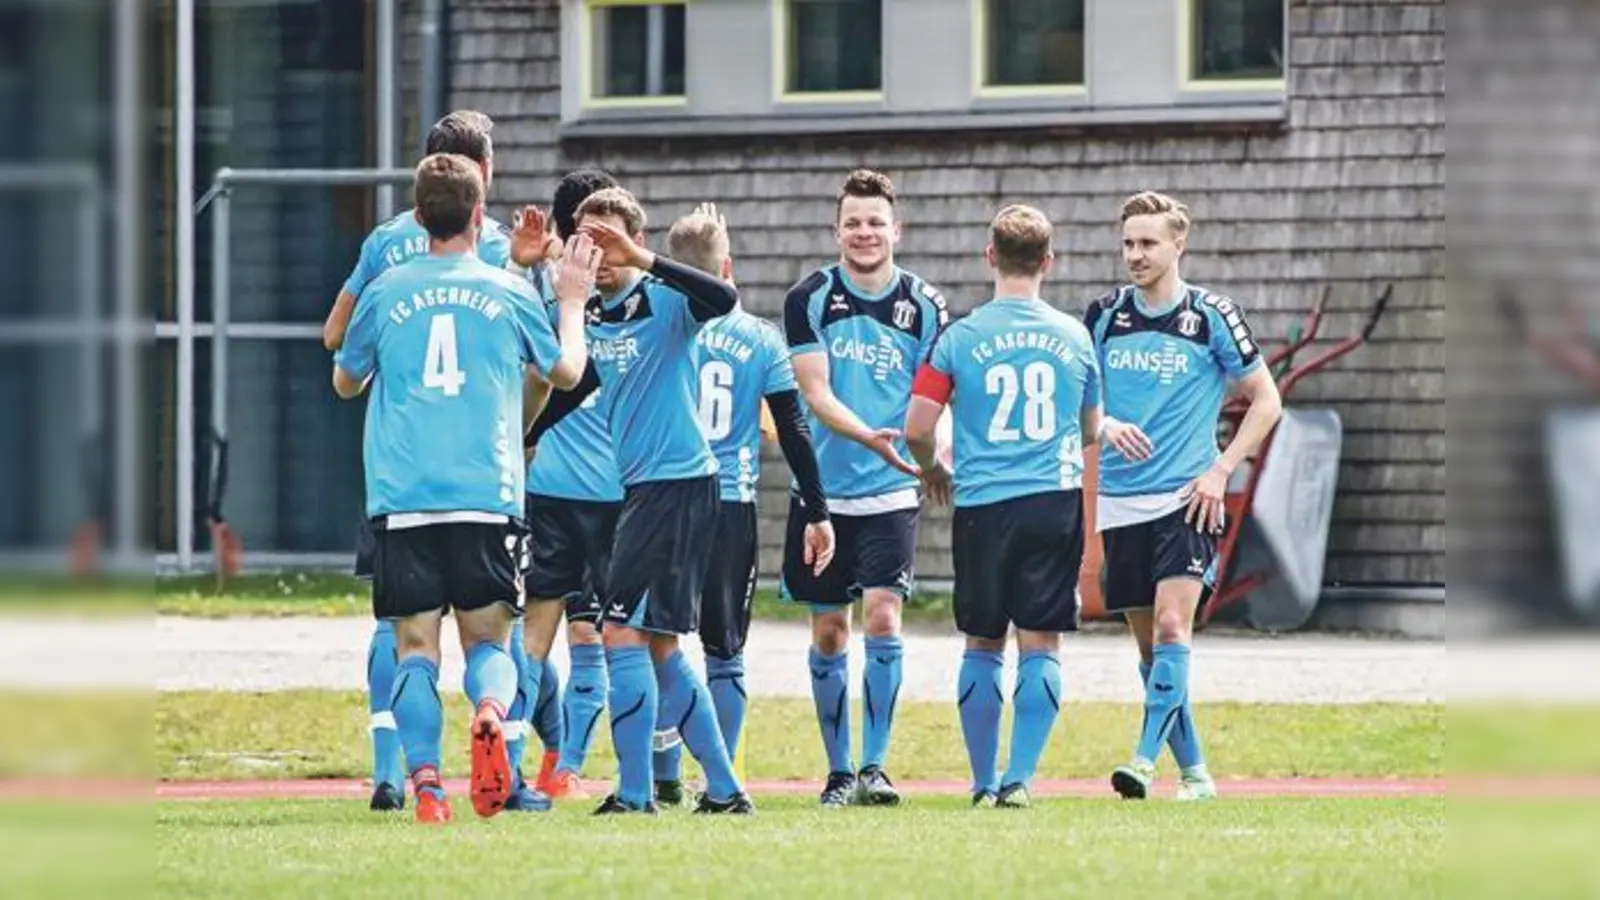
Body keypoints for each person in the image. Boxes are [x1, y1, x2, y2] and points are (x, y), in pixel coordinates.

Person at [330, 152, 595, 823]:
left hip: (403, 497)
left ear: (420, 218)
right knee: (490, 646)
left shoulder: (388, 289)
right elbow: (564, 373)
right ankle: (488, 712)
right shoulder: (507, 291)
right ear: (481, 215)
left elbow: (345, 379)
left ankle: (425, 785)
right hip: (487, 495)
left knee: (414, 649)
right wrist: (569, 303)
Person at [321, 110, 519, 814]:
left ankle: (402, 775)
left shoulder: (384, 250)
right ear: (483, 177)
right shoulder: (499, 251)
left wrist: (389, 365)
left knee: (403, 635)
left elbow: (337, 340)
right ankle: (506, 749)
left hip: (399, 472)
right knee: (492, 630)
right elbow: (549, 362)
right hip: (485, 470)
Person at [557, 187, 752, 815]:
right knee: (659, 644)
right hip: (646, 488)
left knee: (619, 633)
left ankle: (637, 793)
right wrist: (525, 435)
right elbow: (577, 381)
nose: (599, 253)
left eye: (609, 240)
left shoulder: (665, 300)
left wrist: (643, 257)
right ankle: (723, 790)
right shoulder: (592, 314)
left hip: (679, 485)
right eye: (587, 240)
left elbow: (725, 299)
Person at [1084, 191, 1282, 801]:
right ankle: (1195, 774)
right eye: (1128, 243)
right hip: (1120, 501)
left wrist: (1221, 470)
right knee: (1153, 654)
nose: (1136, 255)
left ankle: (1142, 762)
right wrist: (1105, 426)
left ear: (1178, 245)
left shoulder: (1212, 315)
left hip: (1187, 500)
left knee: (1175, 627)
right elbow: (1081, 402)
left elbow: (1267, 401)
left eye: (1148, 243)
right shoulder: (1103, 316)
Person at [905, 205, 1101, 809]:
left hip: (984, 504)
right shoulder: (1075, 336)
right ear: (1048, 261)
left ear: (989, 256)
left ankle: (983, 781)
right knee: (1040, 641)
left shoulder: (959, 337)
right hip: (1052, 500)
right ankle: (1020, 779)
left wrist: (935, 468)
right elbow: (1090, 428)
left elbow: (917, 426)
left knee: (982, 640)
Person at [648, 206, 836, 806]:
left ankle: (663, 772)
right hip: (730, 502)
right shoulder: (760, 338)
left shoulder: (656, 325)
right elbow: (795, 429)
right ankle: (718, 780)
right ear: (727, 268)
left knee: (660, 644)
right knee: (724, 652)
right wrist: (819, 508)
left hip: (663, 498)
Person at [781, 169, 949, 807]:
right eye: (853, 221)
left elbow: (935, 397)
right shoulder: (810, 296)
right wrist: (870, 437)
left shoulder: (926, 305)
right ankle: (838, 771)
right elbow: (815, 394)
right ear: (837, 230)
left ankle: (875, 768)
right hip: (822, 495)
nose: (865, 232)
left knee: (883, 615)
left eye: (875, 221)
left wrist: (937, 455)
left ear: (895, 230)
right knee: (830, 632)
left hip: (891, 492)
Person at [515, 168, 629, 802]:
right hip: (607, 494)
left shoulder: (536, 294)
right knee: (600, 636)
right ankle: (567, 769)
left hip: (552, 489)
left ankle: (526, 758)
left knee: (537, 633)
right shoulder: (608, 294)